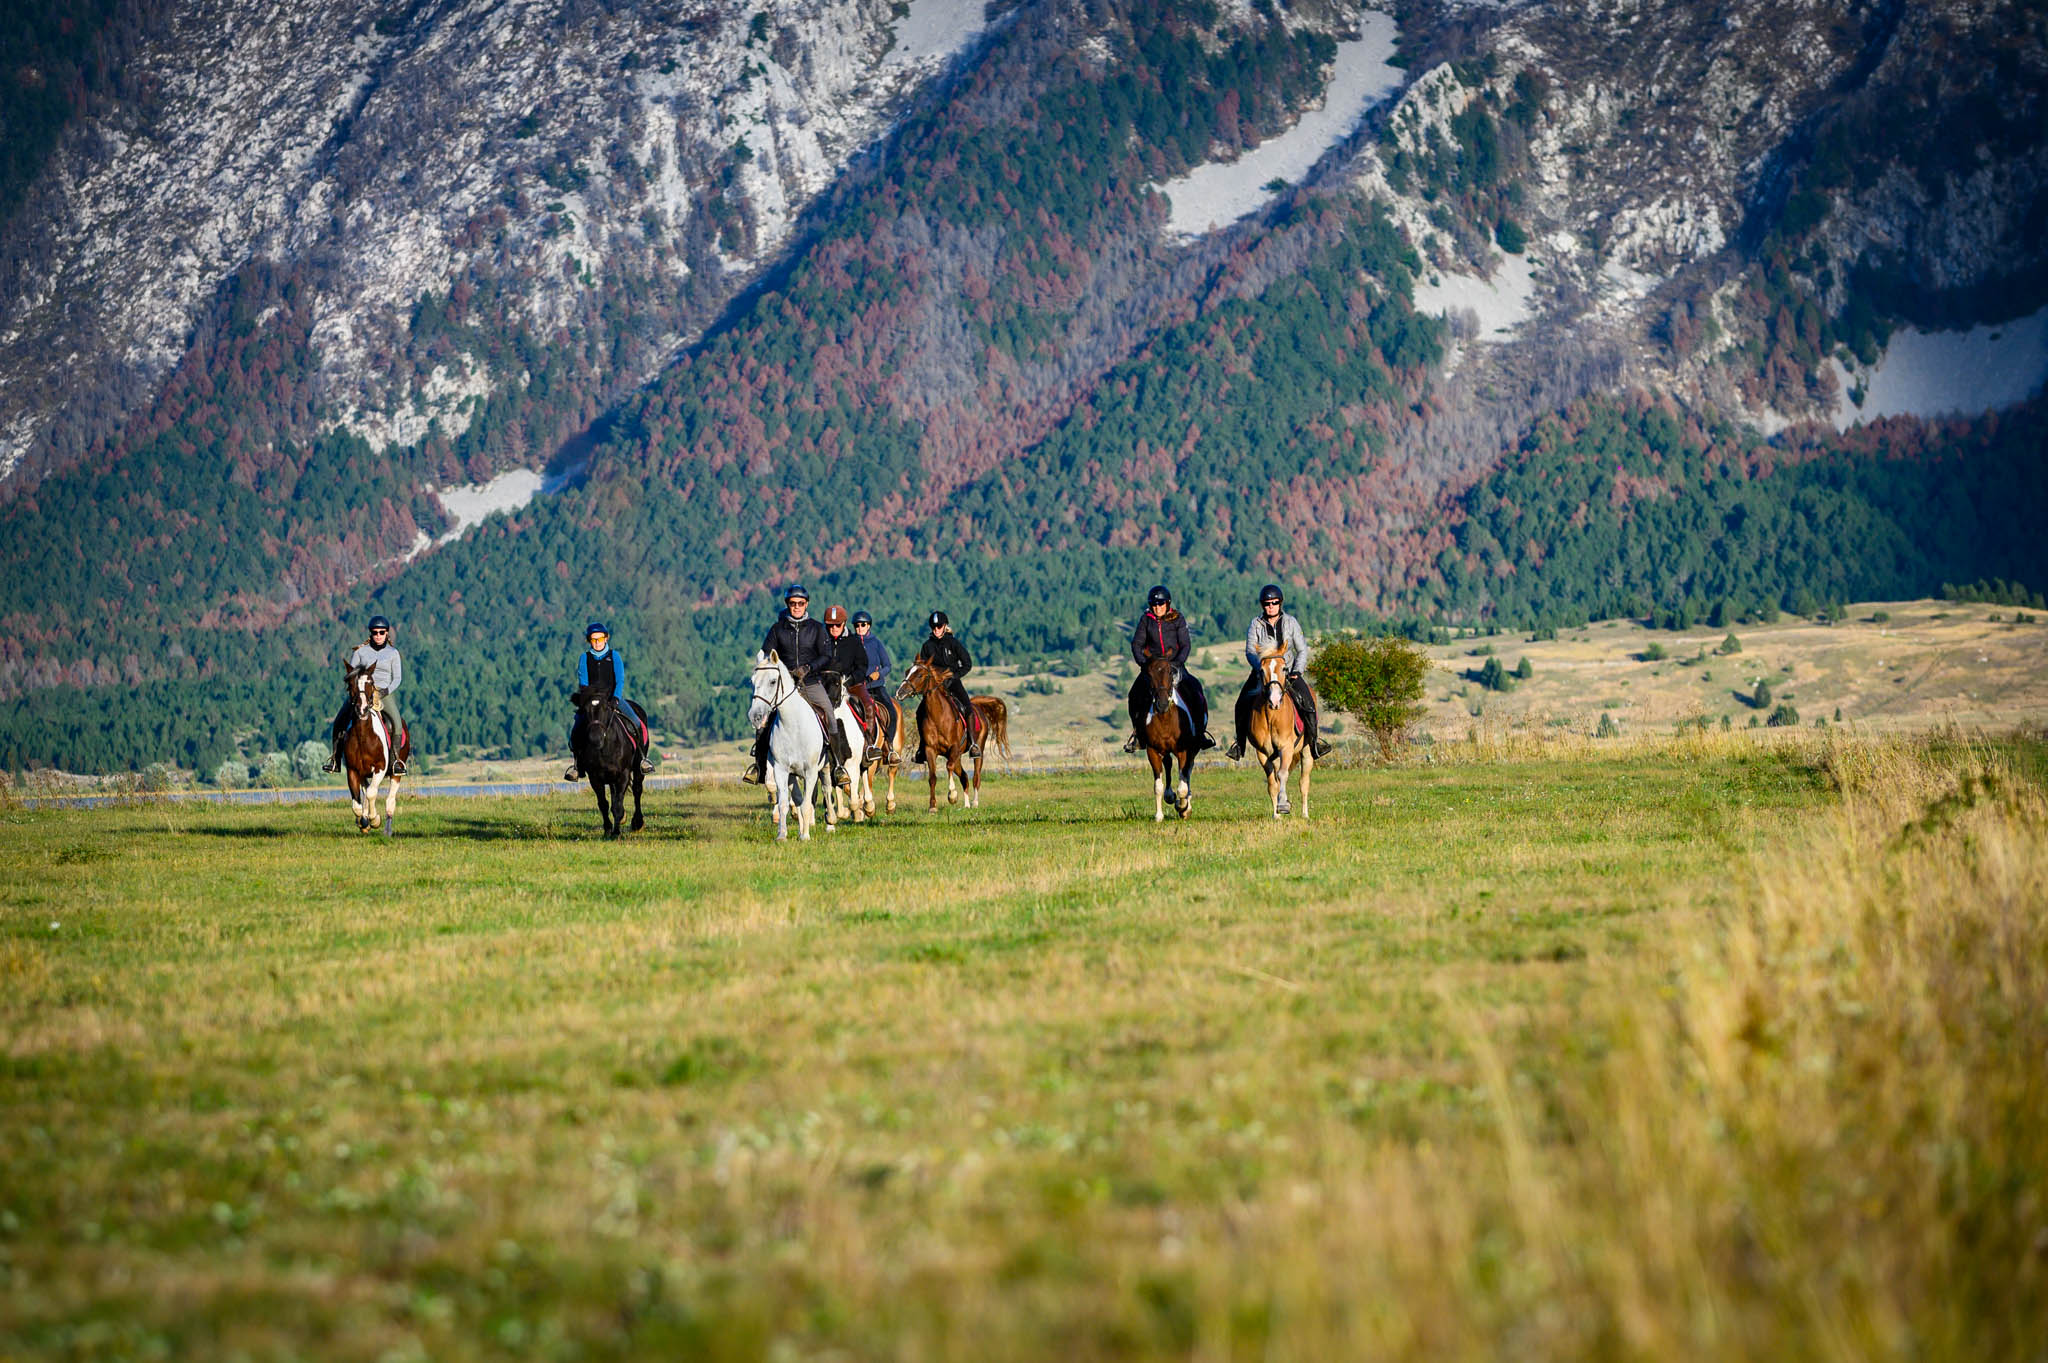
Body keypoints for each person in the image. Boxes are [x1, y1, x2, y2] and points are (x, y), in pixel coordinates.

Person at [1227, 584, 1331, 761]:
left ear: (1280, 603)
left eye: (1274, 602)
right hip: (1263, 674)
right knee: (1241, 703)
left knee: (1308, 703)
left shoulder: (1291, 622)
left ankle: (1314, 743)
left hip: (1288, 673)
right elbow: (1250, 651)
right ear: (1262, 605)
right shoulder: (1256, 624)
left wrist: (1297, 670)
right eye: (1267, 603)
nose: (1271, 606)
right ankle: (1240, 745)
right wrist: (1260, 668)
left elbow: (1302, 650)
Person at [744, 584, 835, 785]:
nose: (796, 607)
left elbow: (827, 656)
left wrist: (808, 668)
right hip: (784, 688)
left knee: (828, 711)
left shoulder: (816, 628)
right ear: (788, 604)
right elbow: (766, 654)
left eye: (800, 603)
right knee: (764, 722)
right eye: (793, 603)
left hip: (810, 682)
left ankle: (837, 765)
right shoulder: (777, 629)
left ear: (806, 604)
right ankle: (759, 766)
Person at [1123, 585, 1215, 753]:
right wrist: (1144, 665)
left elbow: (1186, 644)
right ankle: (1138, 735)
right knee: (1134, 695)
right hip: (1151, 668)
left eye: (1161, 604)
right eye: (1154, 604)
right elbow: (1137, 644)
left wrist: (1178, 663)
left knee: (1195, 690)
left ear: (1167, 603)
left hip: (1174, 665)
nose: (1157, 607)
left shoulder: (1178, 618)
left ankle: (1200, 733)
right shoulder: (1146, 620)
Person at [564, 622, 654, 781]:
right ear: (589, 641)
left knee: (635, 721)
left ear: (606, 638)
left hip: (613, 699)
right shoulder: (584, 658)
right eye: (593, 639)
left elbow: (619, 680)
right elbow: (583, 683)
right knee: (577, 727)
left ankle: (642, 759)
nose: (597, 642)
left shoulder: (615, 656)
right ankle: (577, 766)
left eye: (600, 638)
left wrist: (615, 699)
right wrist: (587, 701)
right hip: (593, 702)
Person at [324, 614, 406, 775]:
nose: (378, 635)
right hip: (360, 693)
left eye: (381, 632)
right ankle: (335, 759)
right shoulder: (360, 652)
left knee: (396, 722)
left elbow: (397, 678)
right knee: (339, 721)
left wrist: (385, 691)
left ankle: (396, 760)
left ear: (387, 633)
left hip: (382, 693)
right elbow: (351, 674)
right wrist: (357, 691)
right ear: (370, 633)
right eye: (375, 632)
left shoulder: (393, 653)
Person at [912, 611, 977, 763]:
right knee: (919, 712)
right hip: (934, 688)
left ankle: (973, 743)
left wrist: (953, 676)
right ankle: (922, 748)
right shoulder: (927, 646)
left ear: (945, 626)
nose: (936, 629)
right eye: (933, 627)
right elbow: (923, 668)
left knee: (968, 707)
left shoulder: (953, 643)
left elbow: (967, 664)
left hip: (953, 683)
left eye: (939, 626)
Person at [818, 604, 870, 763]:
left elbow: (862, 665)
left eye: (837, 625)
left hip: (850, 684)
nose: (834, 628)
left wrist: (850, 679)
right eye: (830, 625)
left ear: (844, 624)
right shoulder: (820, 641)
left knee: (868, 704)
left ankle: (869, 744)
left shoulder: (854, 641)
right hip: (824, 686)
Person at [854, 610, 897, 749]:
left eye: (863, 624)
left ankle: (889, 745)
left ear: (869, 626)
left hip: (876, 686)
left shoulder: (876, 643)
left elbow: (888, 666)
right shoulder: (851, 643)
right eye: (857, 625)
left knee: (891, 711)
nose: (860, 628)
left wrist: (878, 674)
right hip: (857, 687)